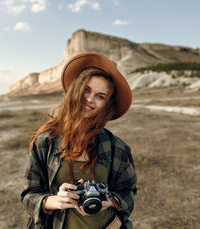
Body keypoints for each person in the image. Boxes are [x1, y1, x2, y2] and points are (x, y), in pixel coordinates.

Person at [21, 52, 137, 229]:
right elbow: (29, 195)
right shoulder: (45, 142)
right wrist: (55, 200)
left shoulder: (117, 148)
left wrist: (110, 201)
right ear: (76, 89)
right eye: (86, 90)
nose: (90, 99)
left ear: (107, 104)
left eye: (101, 96)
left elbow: (128, 193)